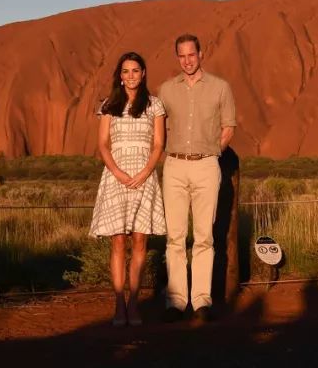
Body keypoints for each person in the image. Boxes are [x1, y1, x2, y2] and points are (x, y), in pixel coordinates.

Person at [158, 33, 236, 324]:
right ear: (177, 57)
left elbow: (228, 126)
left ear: (201, 54)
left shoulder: (220, 88)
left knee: (204, 236)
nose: (187, 61)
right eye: (181, 56)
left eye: (191, 55)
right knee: (175, 237)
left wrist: (214, 152)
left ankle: (201, 300)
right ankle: (176, 301)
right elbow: (159, 127)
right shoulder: (166, 90)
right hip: (175, 165)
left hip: (206, 165)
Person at [89, 52, 167, 327]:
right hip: (116, 177)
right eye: (126, 71)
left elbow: (158, 144)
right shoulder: (109, 105)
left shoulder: (155, 105)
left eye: (135, 70)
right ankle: (118, 303)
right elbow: (102, 145)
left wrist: (145, 172)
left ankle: (134, 303)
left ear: (143, 73)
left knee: (140, 241)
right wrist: (118, 172)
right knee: (118, 242)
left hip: (144, 177)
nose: (131, 76)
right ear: (119, 76)